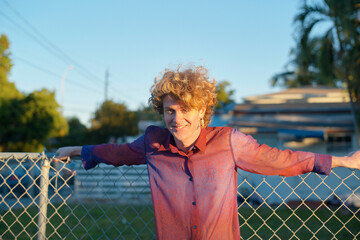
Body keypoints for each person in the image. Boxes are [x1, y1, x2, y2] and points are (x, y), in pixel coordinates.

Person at [56, 65, 360, 240]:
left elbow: (279, 160)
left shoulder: (228, 142)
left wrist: (344, 160)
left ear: (202, 110)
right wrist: (76, 149)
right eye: (169, 111)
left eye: (186, 109)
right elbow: (117, 152)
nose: (177, 119)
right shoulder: (153, 142)